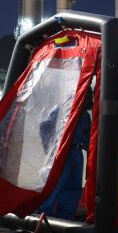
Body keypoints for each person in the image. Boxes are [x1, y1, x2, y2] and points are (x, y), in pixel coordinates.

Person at [38, 87, 92, 220]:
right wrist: (51, 148)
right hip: (64, 153)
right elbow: (44, 126)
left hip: (76, 153)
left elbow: (89, 136)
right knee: (55, 185)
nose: (89, 98)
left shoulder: (84, 114)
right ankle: (44, 214)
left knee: (73, 187)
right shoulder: (62, 108)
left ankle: (66, 217)